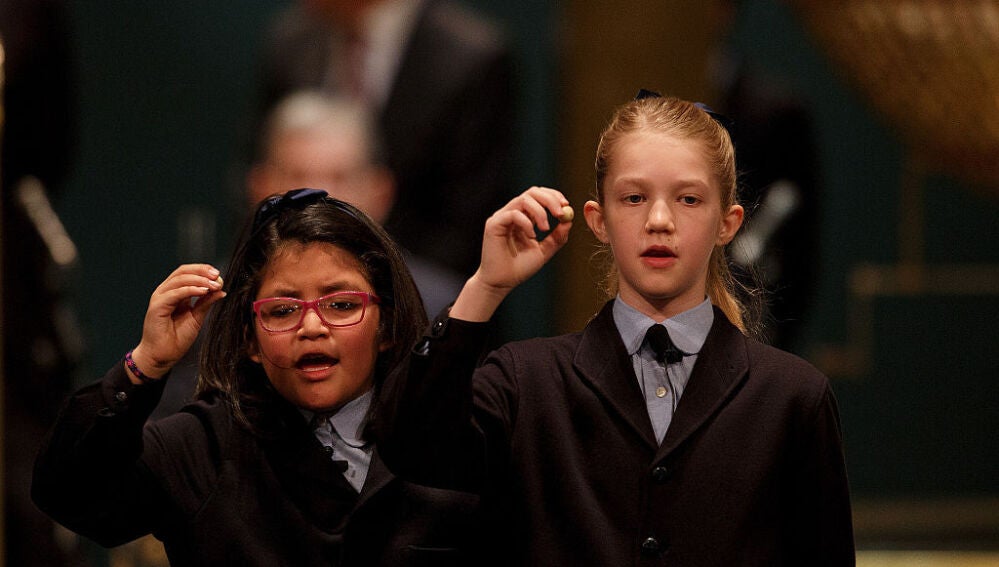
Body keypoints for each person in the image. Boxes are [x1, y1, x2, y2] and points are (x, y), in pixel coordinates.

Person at [378, 94, 855, 565]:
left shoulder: (792, 397)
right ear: (598, 220)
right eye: (634, 198)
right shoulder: (527, 383)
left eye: (689, 199)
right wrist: (486, 285)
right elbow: (411, 447)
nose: (659, 221)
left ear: (727, 224)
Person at [33, 189, 481, 566]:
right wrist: (144, 364)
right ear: (249, 339)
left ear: (386, 327)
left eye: (341, 305)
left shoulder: (456, 435)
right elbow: (69, 495)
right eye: (282, 310)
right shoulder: (204, 446)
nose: (312, 326)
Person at [258, 0, 516, 276]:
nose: (321, 191)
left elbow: (467, 223)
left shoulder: (468, 57)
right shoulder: (291, 41)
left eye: (340, 178)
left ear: (382, 191)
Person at [247, 90, 464, 316]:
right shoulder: (226, 298)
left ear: (381, 194)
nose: (318, 198)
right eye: (298, 177)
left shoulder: (440, 309)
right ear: (260, 188)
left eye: (340, 178)